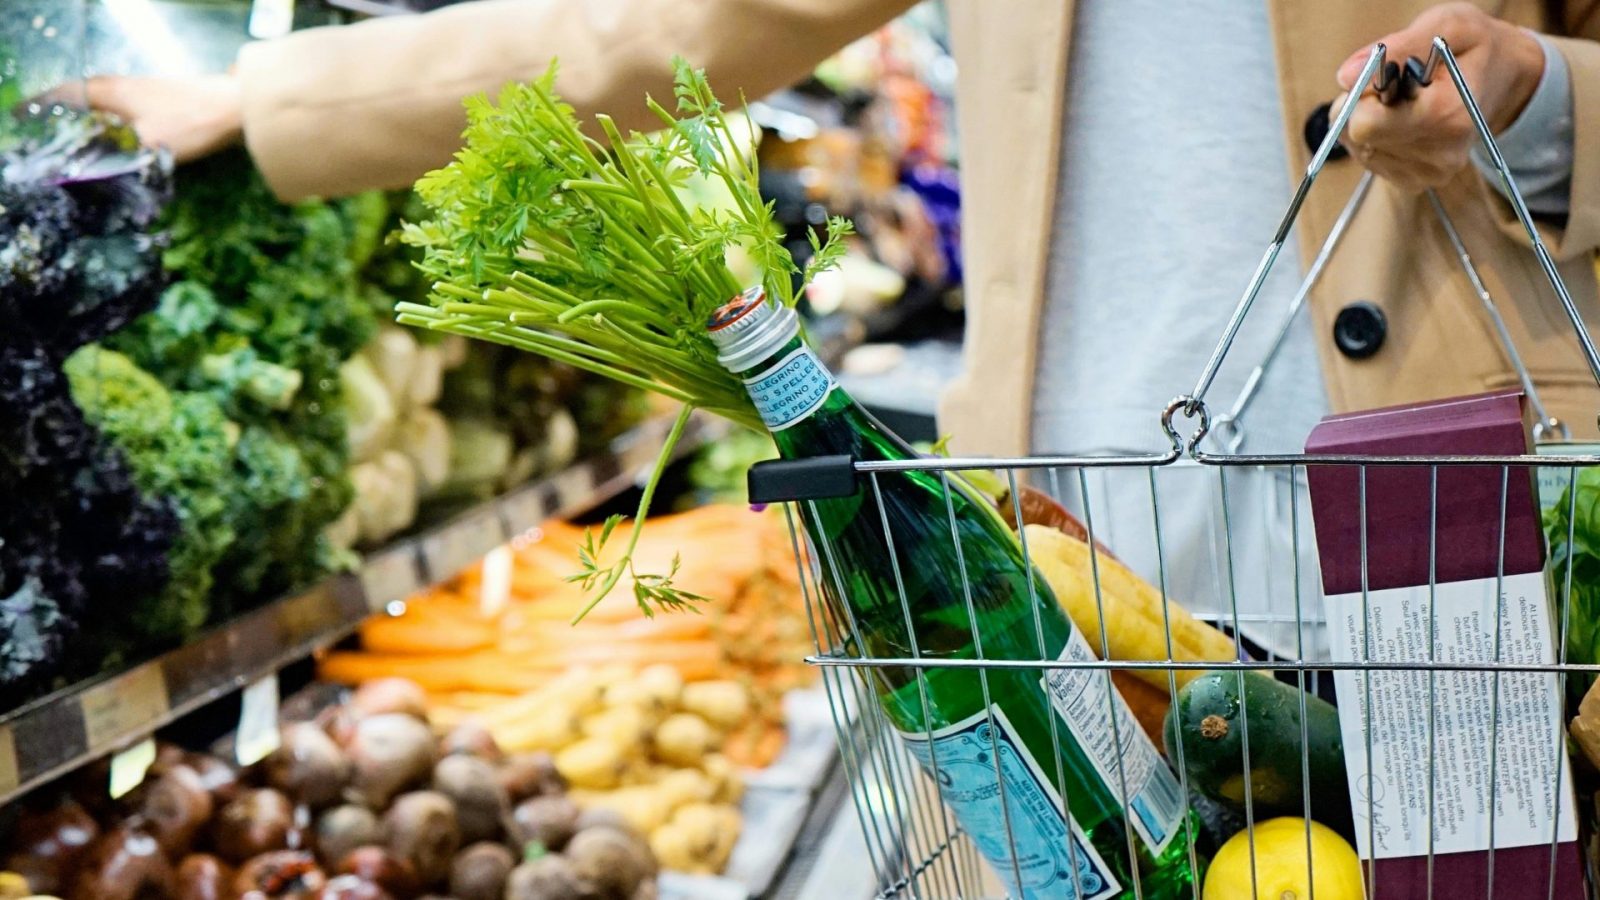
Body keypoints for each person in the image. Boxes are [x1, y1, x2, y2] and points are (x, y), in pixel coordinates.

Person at [64, 1, 1600, 654]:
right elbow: (644, 34)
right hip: (1079, 542)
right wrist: (270, 100)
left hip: (1474, 530)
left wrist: (1541, 105)